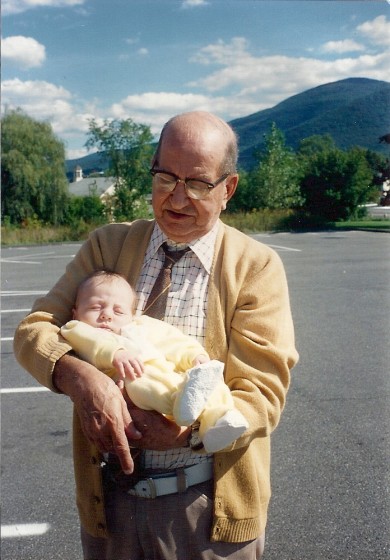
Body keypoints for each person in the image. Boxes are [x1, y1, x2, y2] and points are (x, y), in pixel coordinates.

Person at [14, 110, 298, 560]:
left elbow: (262, 394)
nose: (177, 197)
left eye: (198, 183)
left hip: (204, 512)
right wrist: (82, 379)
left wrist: (185, 432)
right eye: (166, 176)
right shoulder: (107, 245)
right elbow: (34, 331)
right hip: (112, 506)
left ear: (229, 189)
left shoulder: (255, 266)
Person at [61, 269, 249, 454]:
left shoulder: (140, 325)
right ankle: (180, 402)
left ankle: (218, 420)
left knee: (211, 380)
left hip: (170, 373)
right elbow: (89, 342)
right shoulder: (77, 328)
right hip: (129, 377)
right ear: (75, 313)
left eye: (118, 311)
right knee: (143, 385)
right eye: (95, 307)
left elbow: (172, 340)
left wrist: (194, 356)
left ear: (131, 315)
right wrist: (115, 353)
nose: (106, 315)